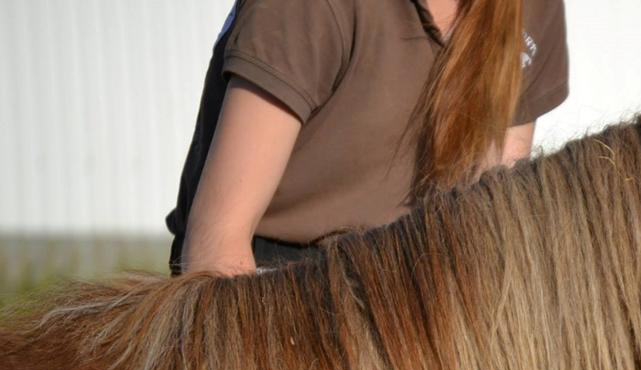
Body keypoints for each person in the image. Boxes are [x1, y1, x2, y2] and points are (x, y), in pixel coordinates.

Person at [166, 0, 569, 276]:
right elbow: (215, 248)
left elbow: (490, 230)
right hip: (271, 283)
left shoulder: (528, 9)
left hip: (414, 285)